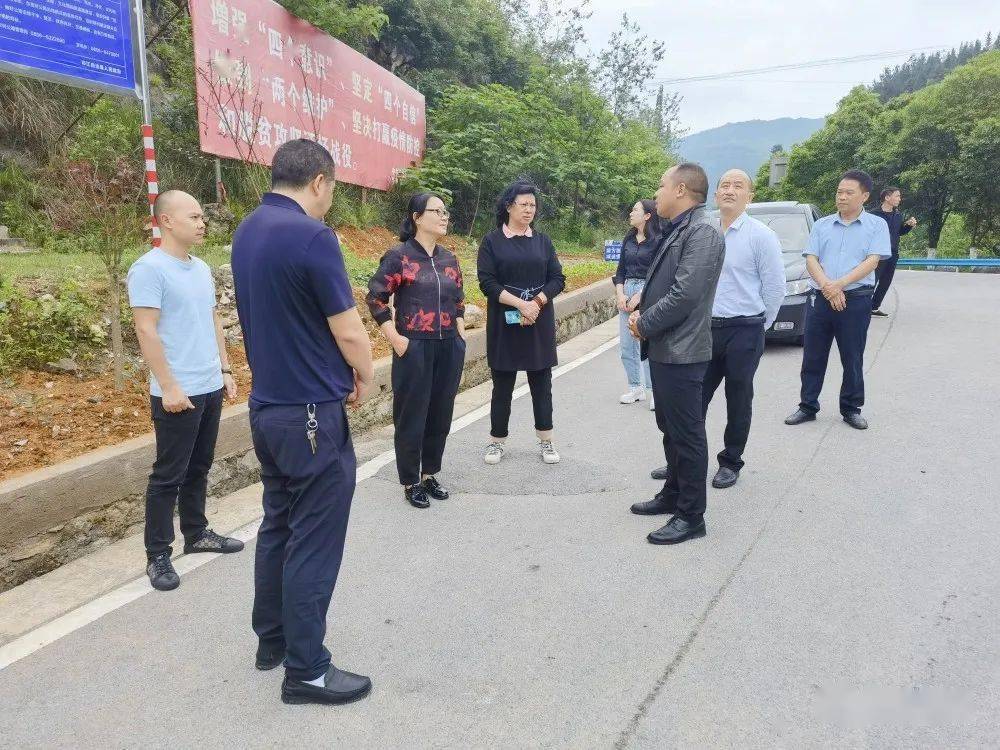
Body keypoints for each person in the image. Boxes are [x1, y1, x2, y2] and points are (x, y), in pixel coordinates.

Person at [231, 139, 375, 706]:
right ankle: (307, 670)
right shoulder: (312, 237)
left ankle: (273, 641)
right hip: (312, 413)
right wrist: (364, 375)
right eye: (333, 189)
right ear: (318, 182)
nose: (331, 200)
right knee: (314, 539)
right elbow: (348, 330)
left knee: (279, 525)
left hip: (268, 408)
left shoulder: (248, 230)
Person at [127, 189, 243, 593]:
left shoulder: (200, 269)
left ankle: (196, 533)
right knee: (168, 474)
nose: (202, 222)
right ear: (167, 221)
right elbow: (146, 329)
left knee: (200, 466)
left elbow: (213, 320)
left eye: (201, 216)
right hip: (177, 391)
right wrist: (170, 386)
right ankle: (158, 553)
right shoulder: (149, 269)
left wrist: (225, 369)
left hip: (209, 383)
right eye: (193, 216)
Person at [649, 169, 784, 489]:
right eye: (724, 185)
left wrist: (760, 327)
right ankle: (678, 463)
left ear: (750, 196)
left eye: (738, 186)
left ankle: (731, 461)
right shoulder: (701, 229)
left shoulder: (761, 235)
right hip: (704, 329)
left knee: (739, 397)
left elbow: (774, 288)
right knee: (690, 402)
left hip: (745, 329)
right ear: (714, 193)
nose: (729, 191)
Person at [627, 163, 725, 546]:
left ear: (681, 189)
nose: (658, 192)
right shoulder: (683, 227)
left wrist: (643, 323)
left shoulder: (702, 231)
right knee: (670, 430)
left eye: (662, 185)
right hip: (669, 349)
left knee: (687, 435)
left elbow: (685, 295)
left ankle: (691, 515)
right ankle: (672, 494)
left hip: (683, 351)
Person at [367, 193, 467, 509]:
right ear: (417, 217)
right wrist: (395, 338)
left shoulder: (450, 258)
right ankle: (410, 481)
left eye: (445, 211)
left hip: (448, 345)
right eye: (436, 211)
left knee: (440, 413)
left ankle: (429, 474)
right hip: (414, 346)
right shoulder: (399, 257)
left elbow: (459, 299)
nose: (444, 216)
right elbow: (375, 298)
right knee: (412, 415)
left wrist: (460, 332)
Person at [784, 170, 891, 431]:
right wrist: (828, 287)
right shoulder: (822, 225)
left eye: (848, 192)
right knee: (813, 354)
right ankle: (807, 405)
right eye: (839, 192)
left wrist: (838, 285)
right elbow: (811, 258)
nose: (841, 197)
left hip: (855, 300)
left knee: (852, 356)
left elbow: (872, 261)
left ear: (864, 196)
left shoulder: (877, 226)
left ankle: (851, 408)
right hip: (821, 298)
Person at [477, 180, 566, 466]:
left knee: (542, 382)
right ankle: (496, 442)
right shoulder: (492, 241)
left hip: (538, 320)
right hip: (506, 321)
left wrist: (537, 302)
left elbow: (557, 279)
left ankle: (546, 440)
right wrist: (520, 304)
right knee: (502, 384)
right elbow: (487, 282)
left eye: (532, 205)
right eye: (523, 204)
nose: (529, 210)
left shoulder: (542, 241)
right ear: (508, 206)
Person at [613, 199, 661, 410]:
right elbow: (620, 270)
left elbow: (658, 273)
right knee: (626, 345)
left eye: (635, 210)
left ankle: (655, 391)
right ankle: (636, 387)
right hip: (627, 291)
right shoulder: (629, 238)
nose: (631, 213)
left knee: (647, 343)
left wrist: (641, 296)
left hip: (649, 293)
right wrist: (620, 294)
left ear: (648, 215)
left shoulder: (659, 240)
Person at [869, 186, 917, 317]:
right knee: (872, 280)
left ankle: (874, 307)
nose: (899, 199)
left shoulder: (897, 214)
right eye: (897, 196)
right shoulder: (873, 215)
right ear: (887, 197)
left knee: (886, 282)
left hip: (893, 253)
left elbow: (899, 232)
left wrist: (908, 226)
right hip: (877, 254)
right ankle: (863, 307)